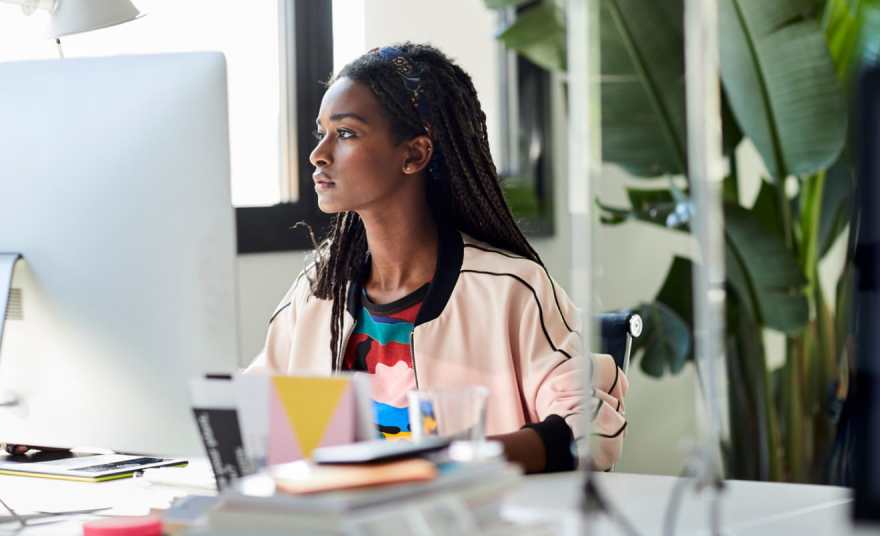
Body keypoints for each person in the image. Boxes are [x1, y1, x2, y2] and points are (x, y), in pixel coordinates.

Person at [246, 43, 627, 473]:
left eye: (346, 133)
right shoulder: (319, 288)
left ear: (414, 153)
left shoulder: (510, 289)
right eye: (322, 133)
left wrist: (451, 461)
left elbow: (591, 427)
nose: (319, 153)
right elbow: (252, 411)